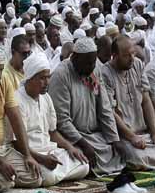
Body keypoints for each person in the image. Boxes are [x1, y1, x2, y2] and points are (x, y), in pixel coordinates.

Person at [49, 37, 124, 176]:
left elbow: (105, 109)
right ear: (75, 58)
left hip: (95, 136)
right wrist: (84, 144)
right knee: (84, 155)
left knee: (120, 150)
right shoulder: (61, 75)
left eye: (93, 62)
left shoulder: (95, 70)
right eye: (87, 63)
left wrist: (114, 139)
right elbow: (62, 120)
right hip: (74, 136)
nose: (91, 67)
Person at [13, 52, 89, 186]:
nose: (47, 82)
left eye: (48, 77)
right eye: (42, 78)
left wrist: (70, 147)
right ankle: (54, 175)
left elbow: (52, 133)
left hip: (50, 151)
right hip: (31, 153)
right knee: (47, 176)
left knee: (84, 165)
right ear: (30, 77)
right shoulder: (17, 100)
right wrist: (42, 159)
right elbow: (17, 144)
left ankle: (56, 174)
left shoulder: (46, 98)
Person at [100, 35, 155, 170]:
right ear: (114, 56)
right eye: (127, 55)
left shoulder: (137, 64)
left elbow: (146, 100)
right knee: (135, 156)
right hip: (125, 135)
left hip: (143, 133)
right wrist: (132, 137)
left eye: (133, 53)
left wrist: (154, 132)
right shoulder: (105, 73)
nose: (132, 58)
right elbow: (111, 111)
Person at [0, 43, 40, 190]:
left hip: (4, 148)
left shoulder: (3, 81)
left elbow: (16, 119)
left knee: (35, 177)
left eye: (1, 70)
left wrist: (27, 155)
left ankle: (1, 175)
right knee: (6, 183)